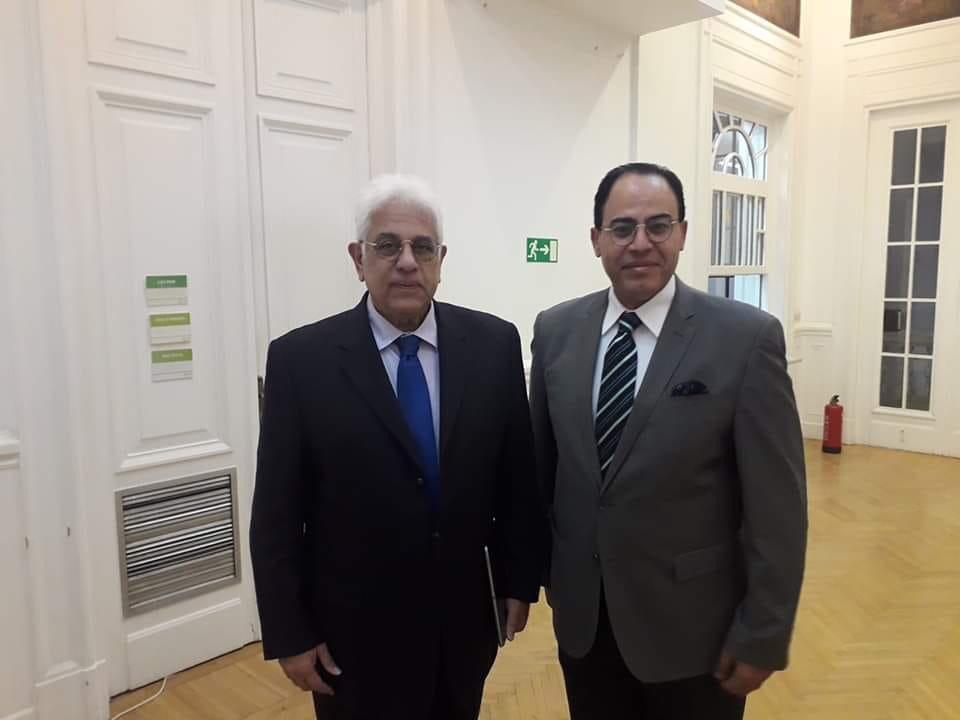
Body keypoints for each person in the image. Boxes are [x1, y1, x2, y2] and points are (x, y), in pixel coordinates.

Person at [250, 174, 543, 720]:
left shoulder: (494, 345)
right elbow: (276, 513)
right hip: (351, 640)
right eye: (388, 245)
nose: (407, 262)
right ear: (358, 259)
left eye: (422, 247)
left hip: (463, 630)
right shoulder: (301, 361)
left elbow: (516, 482)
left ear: (441, 260)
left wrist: (518, 581)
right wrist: (289, 632)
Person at [529, 162, 807, 719]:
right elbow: (545, 469)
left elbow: (777, 507)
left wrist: (764, 631)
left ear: (682, 233)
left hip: (695, 631)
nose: (640, 243)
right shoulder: (556, 331)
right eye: (622, 228)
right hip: (586, 622)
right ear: (596, 239)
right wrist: (541, 577)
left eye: (658, 226)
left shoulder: (745, 338)